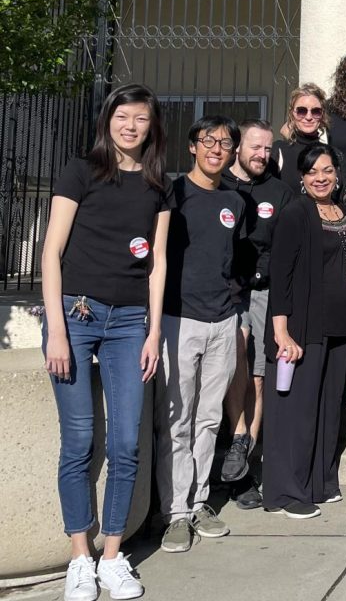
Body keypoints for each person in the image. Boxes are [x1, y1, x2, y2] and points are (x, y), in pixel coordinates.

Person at [40, 84, 170, 601]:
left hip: (129, 322)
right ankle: (80, 558)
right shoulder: (81, 171)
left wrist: (154, 330)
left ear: (151, 127)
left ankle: (112, 557)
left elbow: (157, 262)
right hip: (77, 314)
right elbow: (52, 253)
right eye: (123, 116)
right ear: (108, 120)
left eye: (141, 118)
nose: (131, 126)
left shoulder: (159, 186)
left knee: (124, 444)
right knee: (78, 442)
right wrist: (55, 328)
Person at [157, 116, 246, 553]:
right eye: (208, 141)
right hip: (178, 319)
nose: (216, 148)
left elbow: (237, 259)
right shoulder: (171, 195)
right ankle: (175, 513)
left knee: (209, 418)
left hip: (222, 321)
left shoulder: (235, 200)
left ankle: (198, 502)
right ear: (192, 146)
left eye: (225, 143)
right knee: (177, 419)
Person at [263, 144, 346, 519]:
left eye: (327, 170)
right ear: (302, 178)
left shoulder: (343, 212)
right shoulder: (295, 214)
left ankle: (319, 481)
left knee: (327, 408)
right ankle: (289, 491)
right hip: (306, 326)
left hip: (342, 327)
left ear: (337, 172)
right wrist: (282, 332)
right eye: (312, 172)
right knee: (298, 410)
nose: (320, 177)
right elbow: (281, 277)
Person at [220, 119, 294, 508]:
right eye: (255, 147)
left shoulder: (279, 192)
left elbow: (284, 249)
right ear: (237, 147)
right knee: (236, 365)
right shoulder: (218, 184)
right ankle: (238, 437)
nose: (262, 155)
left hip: (264, 292)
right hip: (225, 295)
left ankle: (242, 466)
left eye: (268, 149)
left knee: (259, 380)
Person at [272, 83, 328, 195]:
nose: (308, 117)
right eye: (301, 111)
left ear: (322, 115)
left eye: (316, 111)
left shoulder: (331, 153)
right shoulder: (279, 150)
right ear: (292, 114)